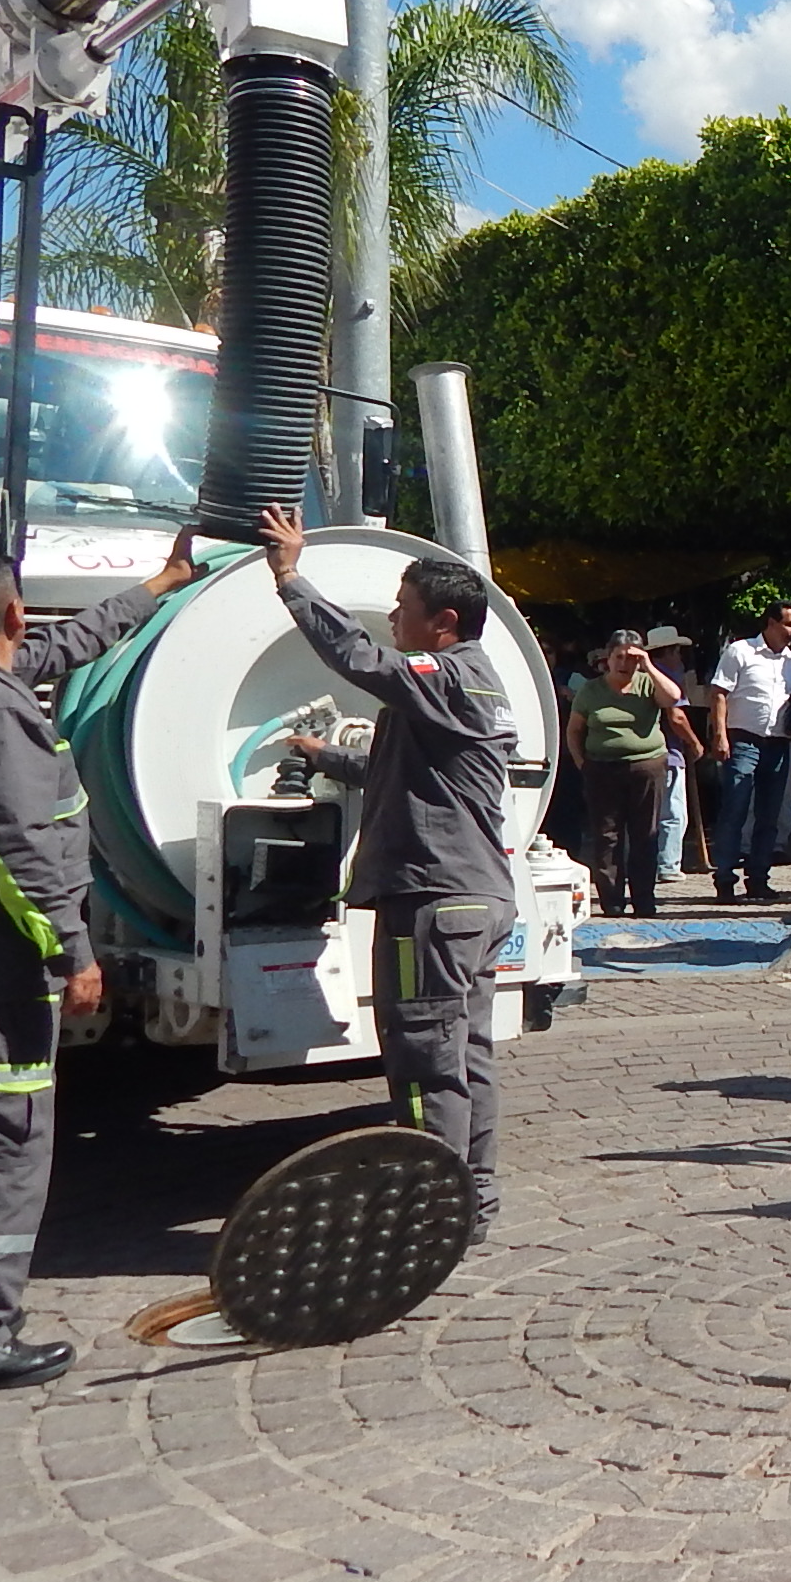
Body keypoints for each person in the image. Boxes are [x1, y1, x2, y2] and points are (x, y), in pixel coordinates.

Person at [0, 529, 200, 1394]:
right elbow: (25, 852)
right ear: (13, 614)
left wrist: (163, 585)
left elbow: (64, 644)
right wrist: (74, 951)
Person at [261, 513, 524, 1242]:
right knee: (466, 1058)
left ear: (444, 622)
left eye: (404, 612)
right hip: (473, 899)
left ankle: (427, 1216)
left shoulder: (445, 674)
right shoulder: (476, 685)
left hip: (433, 903)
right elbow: (409, 770)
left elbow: (360, 658)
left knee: (423, 1065)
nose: (394, 622)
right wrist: (324, 756)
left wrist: (290, 578)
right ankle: (471, 1201)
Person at [568, 628, 684, 918]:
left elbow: (673, 698)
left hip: (646, 766)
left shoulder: (647, 684)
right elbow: (574, 730)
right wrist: (582, 762)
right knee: (607, 836)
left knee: (645, 834)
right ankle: (613, 900)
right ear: (608, 658)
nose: (624, 664)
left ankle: (644, 899)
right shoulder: (592, 690)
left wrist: (648, 666)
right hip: (602, 769)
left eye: (630, 658)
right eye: (618, 657)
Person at [708, 600, 791, 903]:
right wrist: (721, 736)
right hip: (743, 740)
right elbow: (720, 693)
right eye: (789, 624)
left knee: (769, 815)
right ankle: (724, 878)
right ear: (771, 623)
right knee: (735, 809)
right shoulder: (741, 651)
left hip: (777, 743)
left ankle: (758, 879)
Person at [645, 624, 702, 884]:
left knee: (651, 812)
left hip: (649, 755)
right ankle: (668, 863)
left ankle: (651, 862)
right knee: (673, 812)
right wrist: (693, 742)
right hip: (668, 753)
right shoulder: (667, 679)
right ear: (669, 652)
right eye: (677, 651)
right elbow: (677, 716)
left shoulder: (642, 677)